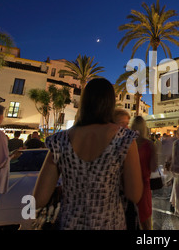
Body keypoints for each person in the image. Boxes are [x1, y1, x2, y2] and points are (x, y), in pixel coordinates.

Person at [33, 78, 143, 230]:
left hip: (69, 224)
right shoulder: (125, 139)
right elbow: (134, 195)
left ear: (84, 102)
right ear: (111, 103)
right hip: (110, 223)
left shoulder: (60, 140)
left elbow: (39, 199)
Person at [131, 116, 157, 230]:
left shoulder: (128, 142)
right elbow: (153, 167)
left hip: (129, 184)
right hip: (144, 185)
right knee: (146, 221)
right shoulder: (149, 144)